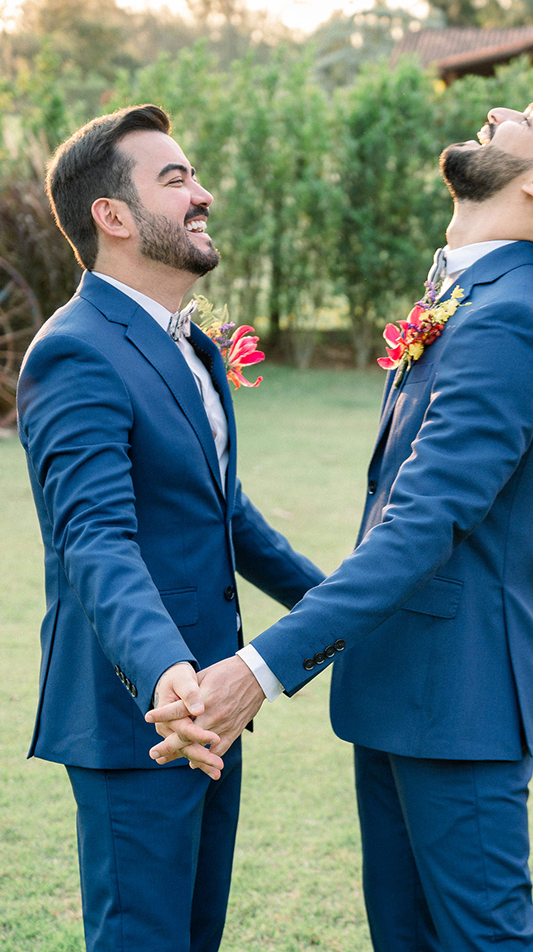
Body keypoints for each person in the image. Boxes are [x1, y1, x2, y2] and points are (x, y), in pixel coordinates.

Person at [150, 85, 533, 951]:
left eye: (529, 122)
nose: (503, 111)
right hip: (405, 692)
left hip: (460, 704)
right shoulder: (470, 294)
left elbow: (421, 527)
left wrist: (259, 670)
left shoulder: (509, 322)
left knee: (481, 938)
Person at [16, 104, 325, 952]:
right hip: (143, 719)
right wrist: (167, 678)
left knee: (195, 936)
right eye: (175, 179)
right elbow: (95, 541)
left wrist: (338, 606)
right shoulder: (75, 350)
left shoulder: (192, 348)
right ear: (112, 217)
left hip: (214, 705)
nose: (204, 195)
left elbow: (225, 514)